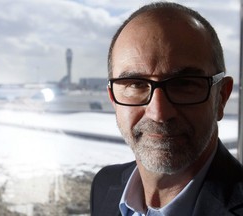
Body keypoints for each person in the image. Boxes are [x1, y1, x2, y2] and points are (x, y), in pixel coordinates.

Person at [90, 2, 243, 216]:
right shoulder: (105, 184)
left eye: (184, 84)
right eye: (136, 84)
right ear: (113, 99)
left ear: (222, 97)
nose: (159, 113)